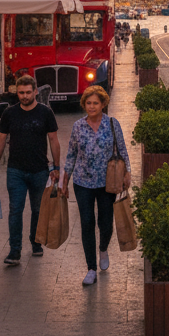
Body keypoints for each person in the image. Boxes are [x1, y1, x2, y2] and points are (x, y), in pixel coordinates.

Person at [61, 86, 131, 286]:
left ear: (103, 104)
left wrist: (128, 172)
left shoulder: (112, 124)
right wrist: (65, 181)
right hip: (82, 182)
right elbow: (72, 153)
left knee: (106, 223)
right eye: (88, 103)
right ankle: (91, 268)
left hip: (107, 182)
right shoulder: (78, 126)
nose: (91, 107)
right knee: (87, 222)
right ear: (84, 104)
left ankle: (103, 248)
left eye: (95, 103)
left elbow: (122, 149)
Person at [0, 75, 60, 266]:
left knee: (38, 210)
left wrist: (56, 167)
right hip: (15, 170)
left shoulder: (46, 113)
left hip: (40, 170)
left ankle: (36, 241)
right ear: (17, 92)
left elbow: (54, 140)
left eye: (28, 92)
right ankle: (15, 251)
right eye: (21, 93)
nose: (24, 96)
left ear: (35, 92)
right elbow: (0, 141)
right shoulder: (9, 113)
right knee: (15, 210)